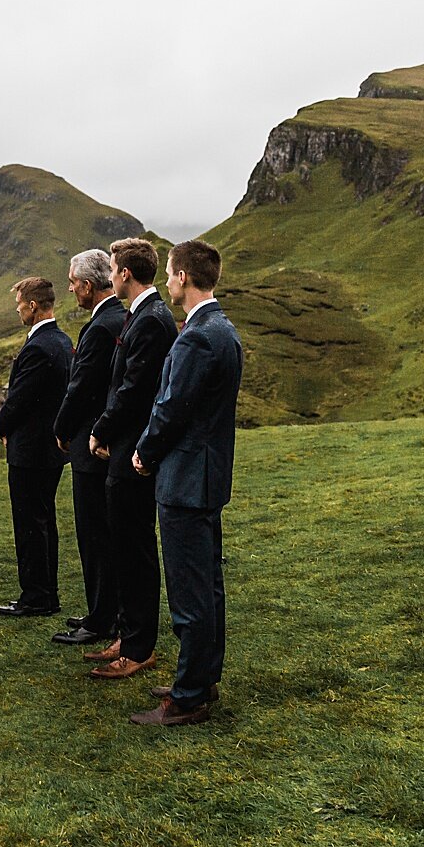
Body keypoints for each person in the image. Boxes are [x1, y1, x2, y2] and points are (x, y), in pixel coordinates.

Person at [129, 241, 242, 727]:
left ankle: (190, 695)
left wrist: (144, 452)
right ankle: (202, 675)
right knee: (207, 585)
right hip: (209, 475)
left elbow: (172, 406)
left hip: (185, 479)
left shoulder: (198, 337)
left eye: (172, 274)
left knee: (190, 590)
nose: (169, 281)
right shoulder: (225, 330)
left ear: (182, 278)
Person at [84, 239, 176, 680]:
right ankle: (128, 632)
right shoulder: (142, 314)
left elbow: (134, 388)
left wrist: (101, 429)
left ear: (124, 273)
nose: (113, 274)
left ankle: (139, 648)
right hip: (125, 448)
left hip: (135, 453)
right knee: (123, 544)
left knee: (135, 546)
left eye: (116, 267)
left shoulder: (152, 320)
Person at [50, 248, 127, 647]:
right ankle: (105, 609)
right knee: (103, 534)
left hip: (90, 446)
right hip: (106, 443)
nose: (69, 288)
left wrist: (62, 428)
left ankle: (101, 619)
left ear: (88, 284)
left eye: (73, 282)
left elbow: (81, 387)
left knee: (94, 535)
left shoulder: (99, 327)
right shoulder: (120, 318)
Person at [0, 277, 71, 617]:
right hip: (49, 449)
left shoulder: (39, 347)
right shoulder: (62, 341)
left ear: (34, 305)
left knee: (29, 523)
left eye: (21, 303)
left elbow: (19, 399)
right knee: (43, 520)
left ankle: (36, 596)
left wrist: (0, 425)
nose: (18, 308)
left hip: (31, 449)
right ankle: (45, 593)